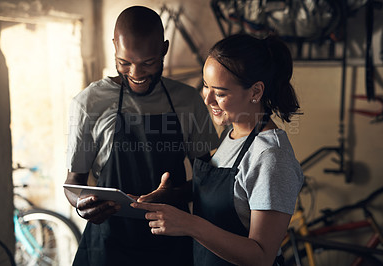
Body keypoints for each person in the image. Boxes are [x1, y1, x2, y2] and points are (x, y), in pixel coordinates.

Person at [64, 6, 219, 266]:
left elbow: (207, 181)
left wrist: (175, 196)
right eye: (125, 63)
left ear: (164, 49)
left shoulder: (187, 101)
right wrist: (83, 204)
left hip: (171, 246)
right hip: (109, 248)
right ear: (114, 46)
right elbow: (73, 183)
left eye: (148, 63)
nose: (136, 74)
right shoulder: (88, 103)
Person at [132, 33, 304, 266]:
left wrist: (189, 224)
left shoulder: (270, 158)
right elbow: (232, 195)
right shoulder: (231, 134)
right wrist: (173, 195)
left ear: (255, 92)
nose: (207, 99)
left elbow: (261, 256)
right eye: (205, 86)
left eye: (220, 93)